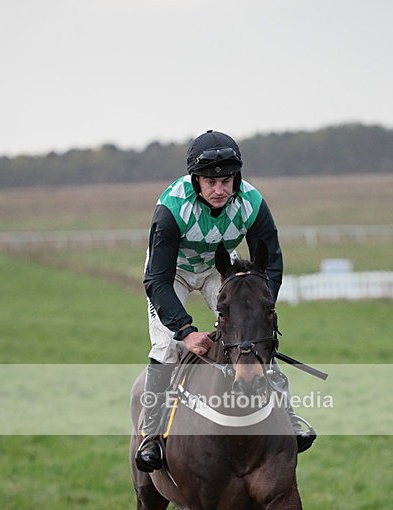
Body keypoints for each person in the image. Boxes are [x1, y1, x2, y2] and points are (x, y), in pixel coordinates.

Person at [135, 129, 315, 472]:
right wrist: (186, 331)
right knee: (165, 348)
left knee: (253, 335)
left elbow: (272, 262)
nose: (219, 190)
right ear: (195, 180)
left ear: (237, 178)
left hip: (220, 269)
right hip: (170, 274)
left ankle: (288, 418)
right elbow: (156, 280)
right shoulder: (171, 208)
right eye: (209, 182)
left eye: (227, 181)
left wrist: (262, 308)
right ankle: (151, 435)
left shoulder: (252, 203)